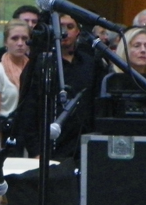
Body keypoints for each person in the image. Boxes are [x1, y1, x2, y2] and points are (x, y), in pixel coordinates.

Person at [19, 14, 105, 161]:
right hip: (49, 147)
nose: (64, 32)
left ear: (78, 31)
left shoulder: (91, 64)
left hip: (83, 147)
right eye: (60, 27)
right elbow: (28, 109)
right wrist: (35, 150)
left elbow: (98, 107)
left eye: (70, 27)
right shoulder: (40, 63)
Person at [0, 19, 31, 117]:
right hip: (7, 128)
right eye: (14, 38)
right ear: (5, 42)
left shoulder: (34, 69)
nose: (20, 43)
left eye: (25, 38)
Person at [0, 5, 40, 71]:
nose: (30, 25)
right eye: (26, 21)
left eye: (34, 22)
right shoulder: (0, 55)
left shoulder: (42, 51)